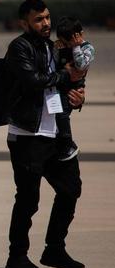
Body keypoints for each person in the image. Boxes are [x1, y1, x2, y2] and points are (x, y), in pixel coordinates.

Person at [3, 0, 87, 268]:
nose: (46, 23)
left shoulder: (54, 48)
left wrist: (76, 98)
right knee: (28, 198)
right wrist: (64, 77)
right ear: (24, 23)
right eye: (39, 19)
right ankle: (17, 256)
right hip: (28, 135)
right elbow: (33, 81)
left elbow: (66, 83)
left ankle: (54, 250)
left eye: (48, 17)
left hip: (58, 133)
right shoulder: (19, 48)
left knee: (70, 189)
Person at [54, 16, 96, 161]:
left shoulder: (87, 48)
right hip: (60, 84)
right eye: (63, 42)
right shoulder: (60, 46)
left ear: (80, 35)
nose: (65, 45)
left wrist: (76, 47)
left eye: (68, 42)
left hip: (73, 88)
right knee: (58, 114)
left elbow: (81, 65)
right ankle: (62, 142)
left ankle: (67, 144)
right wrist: (57, 48)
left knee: (62, 114)